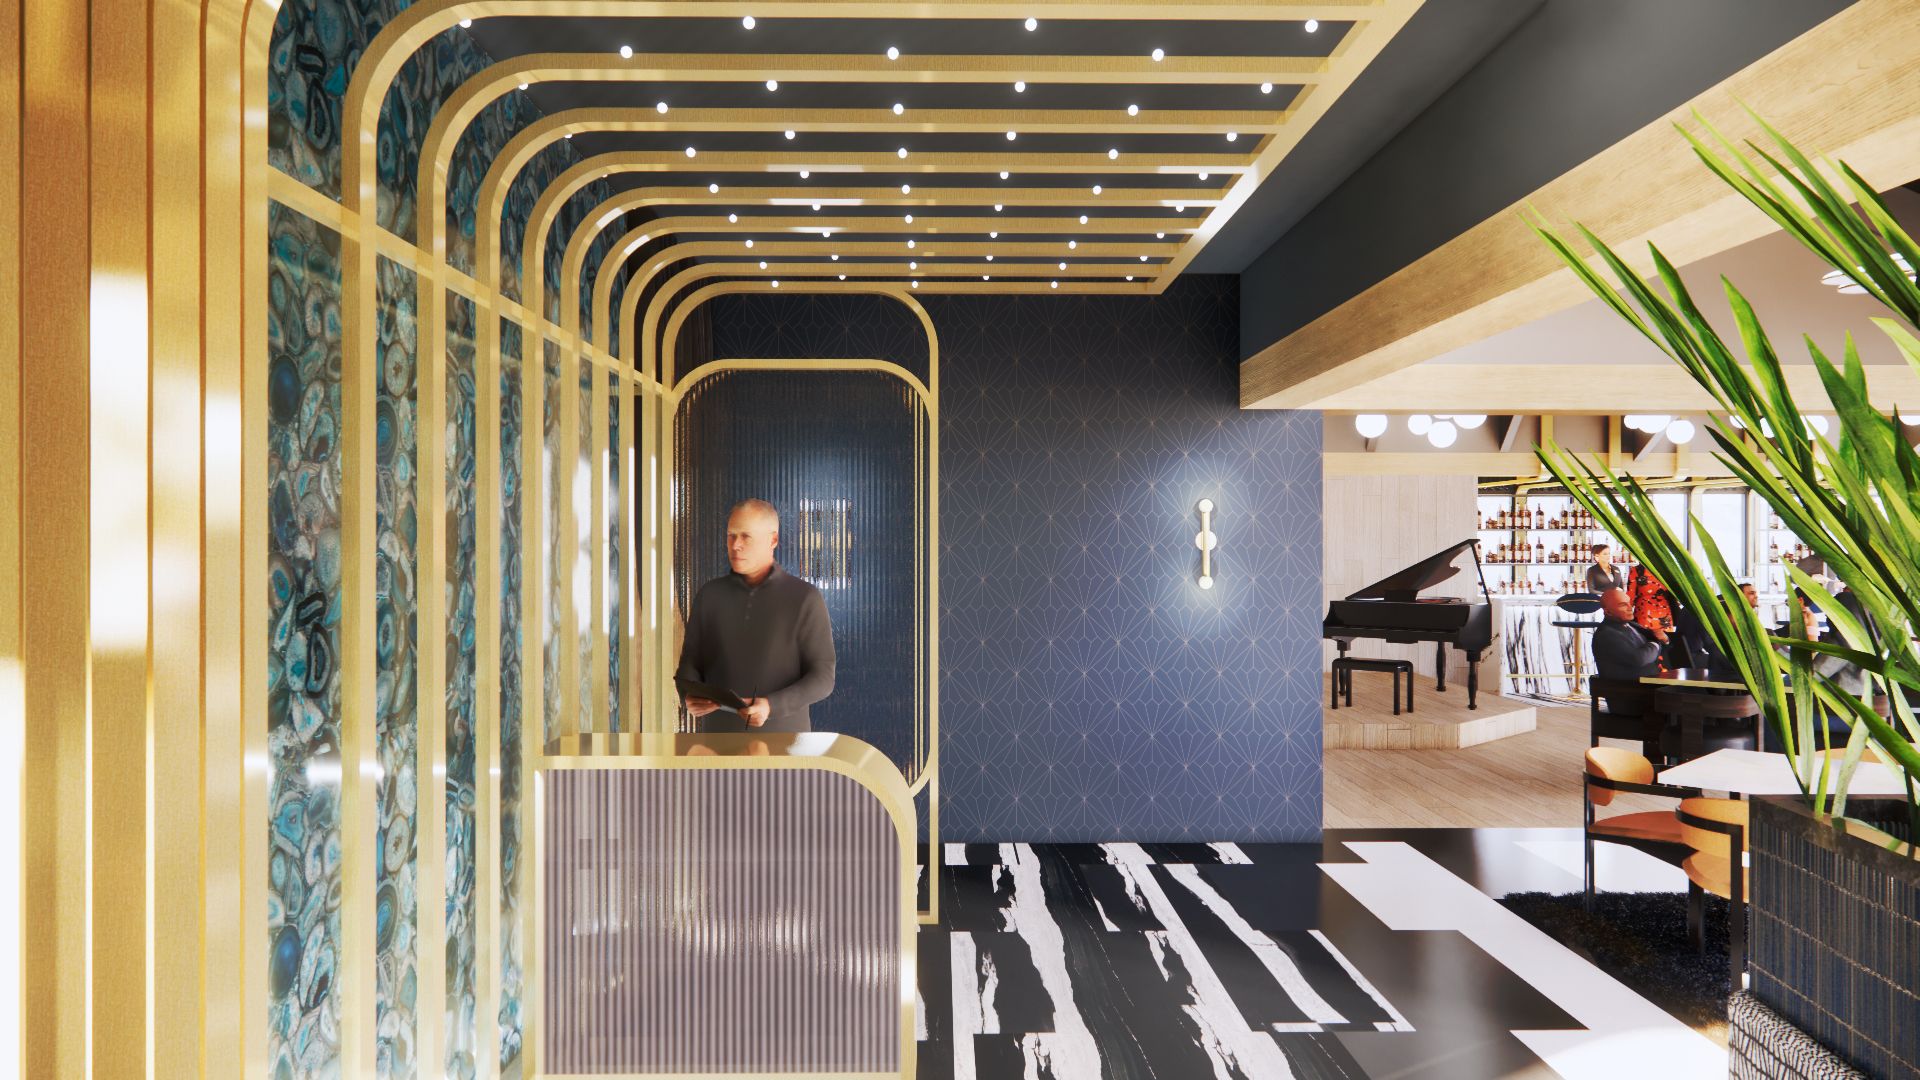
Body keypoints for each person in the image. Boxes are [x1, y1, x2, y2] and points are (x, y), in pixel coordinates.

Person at [676, 498, 836, 732]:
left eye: (745, 536)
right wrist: (688, 694)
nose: (735, 545)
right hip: (715, 744)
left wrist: (772, 706)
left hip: (785, 745)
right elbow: (690, 662)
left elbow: (823, 677)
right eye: (731, 535)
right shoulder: (709, 595)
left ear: (773, 540)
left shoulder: (804, 598)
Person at [1591, 586, 1667, 680]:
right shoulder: (1606, 634)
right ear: (1608, 612)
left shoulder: (1633, 625)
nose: (1630, 608)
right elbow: (1639, 659)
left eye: (1629, 603)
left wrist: (1663, 639)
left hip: (1653, 679)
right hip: (1630, 686)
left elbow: (1659, 640)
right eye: (1623, 605)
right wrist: (1655, 644)